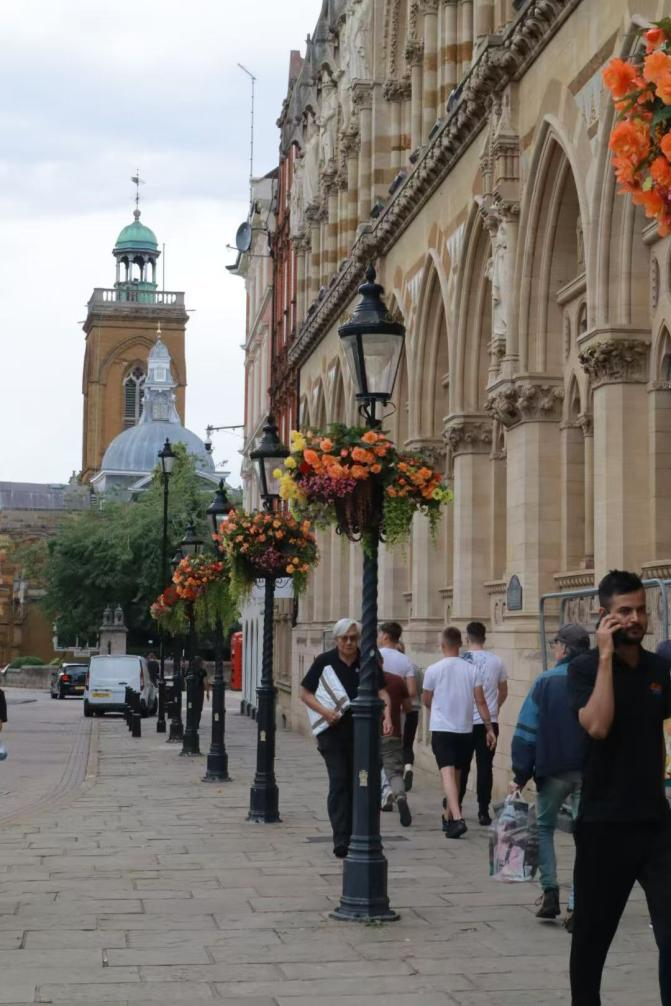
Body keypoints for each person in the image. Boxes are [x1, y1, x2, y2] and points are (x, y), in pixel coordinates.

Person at [567, 570, 671, 1006]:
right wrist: (606, 658)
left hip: (656, 825)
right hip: (603, 824)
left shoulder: (660, 669)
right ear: (604, 615)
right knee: (592, 939)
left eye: (641, 610)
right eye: (624, 611)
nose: (635, 619)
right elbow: (598, 725)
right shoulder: (583, 668)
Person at [509, 622, 590, 928]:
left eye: (556, 644)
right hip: (589, 770)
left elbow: (526, 732)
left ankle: (551, 892)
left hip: (553, 768)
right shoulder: (599, 679)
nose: (554, 649)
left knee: (543, 827)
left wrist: (521, 773)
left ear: (564, 649)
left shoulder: (546, 681)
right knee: (587, 836)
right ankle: (578, 902)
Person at [300, 619, 392, 858]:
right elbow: (305, 693)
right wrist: (325, 712)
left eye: (353, 638)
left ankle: (359, 832)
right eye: (345, 638)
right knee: (339, 781)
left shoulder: (368, 660)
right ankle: (341, 838)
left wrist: (387, 716)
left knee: (361, 783)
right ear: (336, 640)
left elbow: (382, 691)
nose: (350, 642)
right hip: (332, 733)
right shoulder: (324, 661)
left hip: (362, 734)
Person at [423, 626, 496, 839]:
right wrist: (489, 728)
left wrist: (435, 707)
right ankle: (448, 818)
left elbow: (426, 698)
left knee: (447, 774)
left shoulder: (433, 670)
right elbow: (481, 702)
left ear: (442, 645)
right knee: (456, 775)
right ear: (460, 644)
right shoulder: (472, 670)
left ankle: (457, 817)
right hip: (466, 729)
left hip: (442, 729)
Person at [459, 621, 508, 825]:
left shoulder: (461, 660)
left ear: (467, 637)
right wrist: (493, 709)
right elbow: (503, 690)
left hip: (464, 720)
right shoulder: (497, 661)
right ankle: (483, 810)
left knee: (461, 766)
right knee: (485, 766)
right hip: (489, 722)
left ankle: (456, 806)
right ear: (484, 637)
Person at [377, 621, 419, 791]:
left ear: (385, 636)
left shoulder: (376, 656)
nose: (379, 637)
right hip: (398, 712)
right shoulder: (405, 660)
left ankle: (384, 788)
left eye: (380, 634)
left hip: (376, 711)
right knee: (394, 750)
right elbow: (412, 691)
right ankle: (393, 783)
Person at [381, 665, 413, 827]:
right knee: (394, 773)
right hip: (392, 734)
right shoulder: (397, 680)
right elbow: (408, 707)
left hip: (366, 736)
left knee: (364, 772)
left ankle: (368, 802)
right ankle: (400, 796)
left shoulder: (361, 681)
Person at [192, 656, 210, 730]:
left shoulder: (190, 670)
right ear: (200, 663)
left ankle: (192, 722)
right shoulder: (203, 671)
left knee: (192, 707)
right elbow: (206, 683)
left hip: (192, 691)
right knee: (199, 708)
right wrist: (208, 693)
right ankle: (196, 723)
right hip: (199, 691)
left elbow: (185, 680)